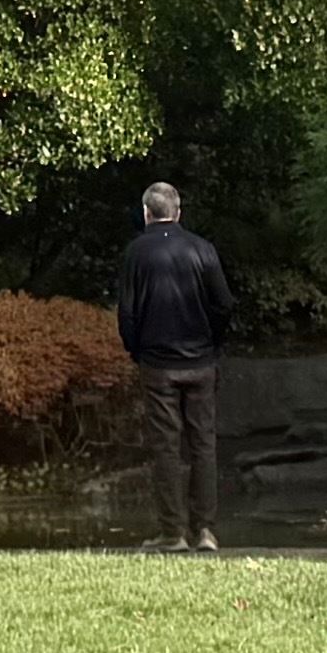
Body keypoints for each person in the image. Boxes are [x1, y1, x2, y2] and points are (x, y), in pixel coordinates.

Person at [115, 177, 235, 550]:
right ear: (178, 212)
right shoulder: (202, 249)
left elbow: (128, 313)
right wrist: (212, 344)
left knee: (166, 447)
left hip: (158, 364)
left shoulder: (136, 253)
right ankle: (205, 530)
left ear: (147, 213)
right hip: (200, 360)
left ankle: (172, 532)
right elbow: (224, 304)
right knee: (203, 444)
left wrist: (136, 350)